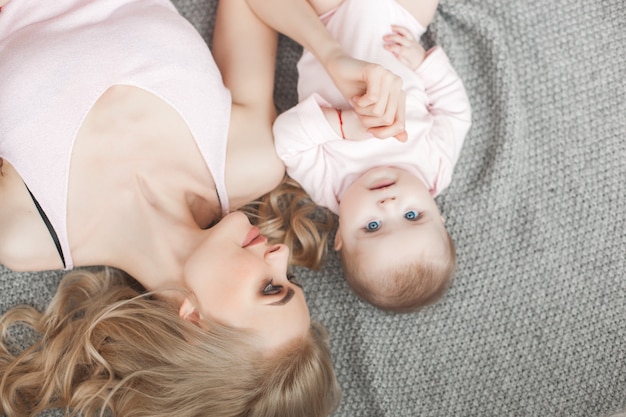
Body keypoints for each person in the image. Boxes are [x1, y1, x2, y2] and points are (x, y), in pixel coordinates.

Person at [0, 0, 408, 414]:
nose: (282, 254)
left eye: (270, 288)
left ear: (194, 321)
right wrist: (332, 54)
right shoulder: (250, 159)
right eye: (289, 278)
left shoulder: (28, 233)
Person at [271, 0, 472, 313]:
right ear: (437, 212)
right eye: (412, 216)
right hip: (401, 21)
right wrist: (423, 64)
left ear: (340, 237)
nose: (389, 205)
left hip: (331, 23)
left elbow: (287, 139)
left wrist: (342, 123)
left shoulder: (329, 186)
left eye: (373, 226)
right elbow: (455, 112)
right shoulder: (436, 168)